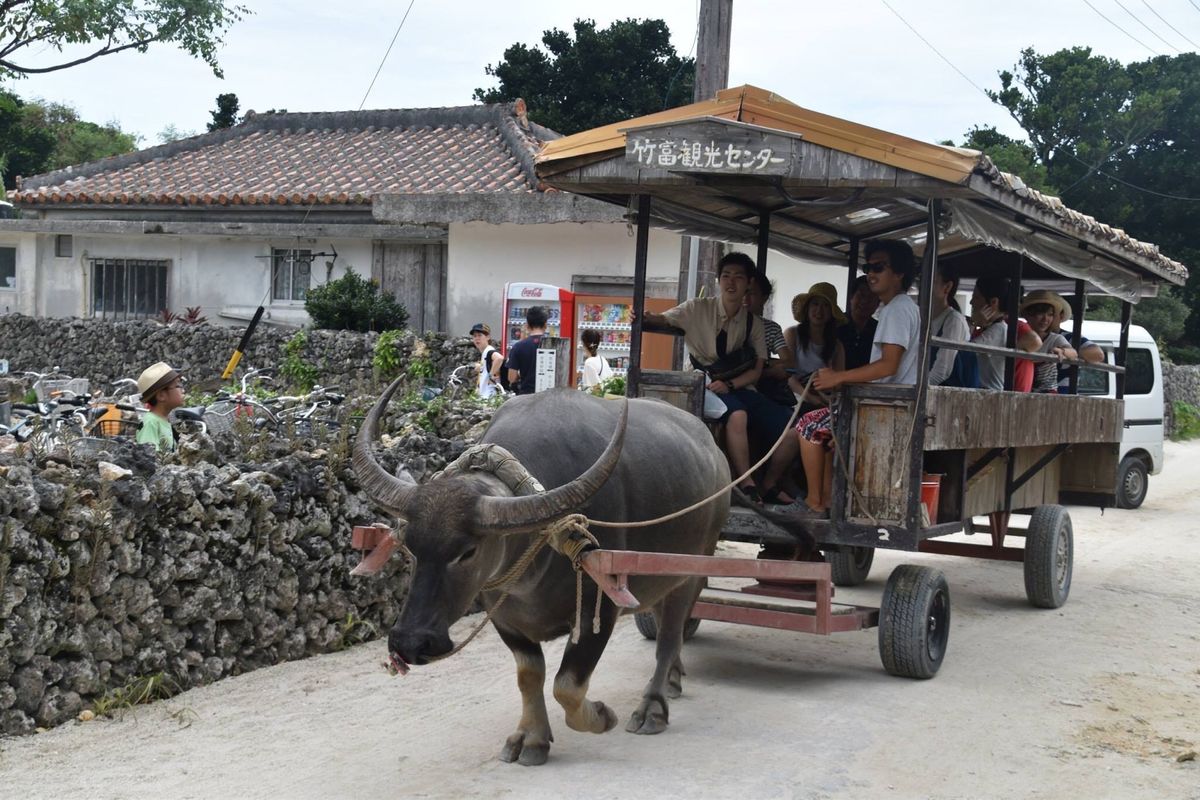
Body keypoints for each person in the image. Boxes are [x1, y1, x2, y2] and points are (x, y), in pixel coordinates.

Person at [638, 252, 799, 505]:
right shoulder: (697, 308)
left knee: (794, 427)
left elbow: (756, 370)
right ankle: (746, 484)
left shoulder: (753, 323)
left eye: (738, 277)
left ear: (749, 284)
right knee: (738, 414)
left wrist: (731, 384)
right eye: (725, 276)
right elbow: (663, 319)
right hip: (702, 384)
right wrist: (643, 317)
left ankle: (769, 483)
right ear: (718, 281)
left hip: (737, 385)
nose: (731, 282)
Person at [795, 240, 922, 517]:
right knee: (826, 438)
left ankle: (813, 502)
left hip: (883, 408)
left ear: (899, 273)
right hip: (884, 404)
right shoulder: (899, 307)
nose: (871, 274)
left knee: (807, 426)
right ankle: (827, 500)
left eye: (879, 267)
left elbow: (888, 365)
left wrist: (838, 378)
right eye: (868, 267)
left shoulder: (897, 309)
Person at [970, 275, 1040, 392]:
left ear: (993, 302)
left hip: (989, 394)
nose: (971, 302)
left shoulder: (997, 329)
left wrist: (973, 323)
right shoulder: (991, 328)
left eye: (976, 297)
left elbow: (963, 354)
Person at [784, 282, 845, 408]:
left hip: (824, 400)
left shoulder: (837, 346)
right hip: (794, 398)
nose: (819, 310)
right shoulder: (792, 334)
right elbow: (788, 375)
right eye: (815, 304)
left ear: (831, 312)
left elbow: (839, 382)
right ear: (807, 308)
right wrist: (809, 397)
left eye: (826, 306)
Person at [744, 270, 796, 408]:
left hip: (762, 391)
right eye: (744, 292)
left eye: (752, 293)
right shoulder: (726, 324)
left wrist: (763, 367)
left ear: (764, 298)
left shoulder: (770, 328)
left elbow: (789, 362)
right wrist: (770, 368)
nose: (745, 298)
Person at [1020, 290, 1078, 393]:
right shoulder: (1015, 335)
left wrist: (1062, 351)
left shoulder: (1055, 339)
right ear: (1027, 314)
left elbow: (1073, 353)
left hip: (1046, 397)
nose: (1045, 319)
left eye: (1050, 314)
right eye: (1040, 313)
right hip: (1018, 390)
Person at [927, 264, 974, 387]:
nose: (924, 286)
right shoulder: (924, 318)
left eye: (931, 280)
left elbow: (942, 371)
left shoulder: (954, 320)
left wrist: (917, 390)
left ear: (947, 287)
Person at [1053, 298, 1106, 393]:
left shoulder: (1070, 338)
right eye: (1035, 313)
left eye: (1051, 314)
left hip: (1063, 396)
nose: (1044, 318)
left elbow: (1098, 355)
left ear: (1061, 316)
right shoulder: (1024, 336)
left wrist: (1069, 353)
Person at [136, 361, 184, 452]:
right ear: (161, 395)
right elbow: (149, 457)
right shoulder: (150, 423)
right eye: (177, 385)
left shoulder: (163, 420)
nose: (183, 389)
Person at [836, 275, 880, 370]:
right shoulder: (835, 324)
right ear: (851, 298)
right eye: (861, 295)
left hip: (869, 383)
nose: (865, 301)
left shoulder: (880, 330)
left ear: (877, 304)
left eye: (871, 297)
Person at [505, 306, 549, 395]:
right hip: (549, 396)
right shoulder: (554, 345)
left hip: (526, 396)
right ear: (545, 325)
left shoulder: (518, 347)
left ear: (527, 326)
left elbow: (511, 378)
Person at [469, 322, 503, 399]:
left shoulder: (489, 350)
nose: (477, 338)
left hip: (490, 396)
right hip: (485, 396)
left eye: (480, 335)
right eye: (474, 336)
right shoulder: (485, 352)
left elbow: (499, 358)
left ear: (488, 337)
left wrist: (490, 376)